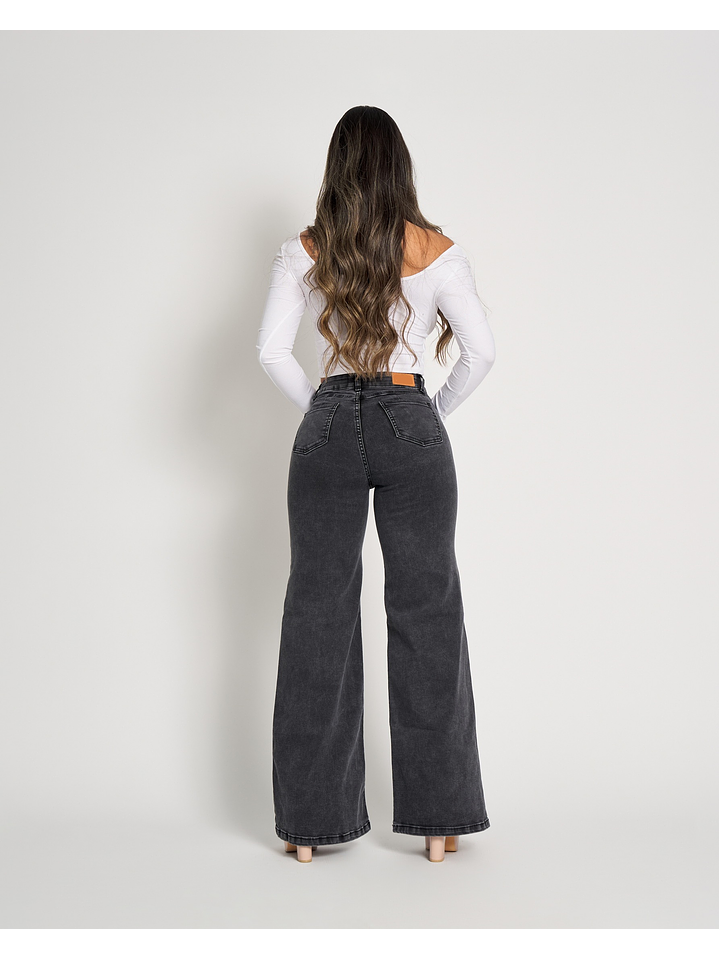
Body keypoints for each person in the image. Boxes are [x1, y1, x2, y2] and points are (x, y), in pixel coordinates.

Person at [256, 106, 496, 864]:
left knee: (316, 611)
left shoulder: (304, 250)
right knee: (428, 609)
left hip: (328, 420)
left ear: (337, 167)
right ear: (400, 167)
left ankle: (308, 826)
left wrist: (323, 408)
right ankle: (439, 821)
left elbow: (270, 352)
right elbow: (481, 352)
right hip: (409, 413)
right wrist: (428, 414)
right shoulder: (437, 251)